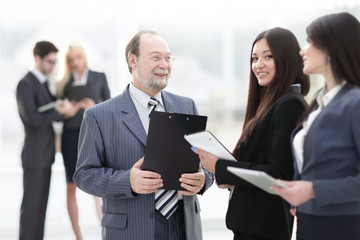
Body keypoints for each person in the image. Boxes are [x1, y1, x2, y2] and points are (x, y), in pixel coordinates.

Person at [73, 30, 214, 240]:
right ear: (133, 60)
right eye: (156, 57)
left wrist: (203, 180)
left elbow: (206, 165)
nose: (164, 65)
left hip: (183, 228)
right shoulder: (99, 115)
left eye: (168, 58)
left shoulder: (186, 106)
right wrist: (127, 181)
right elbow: (84, 175)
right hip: (131, 230)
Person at [193, 27, 310, 240]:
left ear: (287, 58)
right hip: (252, 225)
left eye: (268, 56)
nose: (258, 65)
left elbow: (277, 174)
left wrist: (221, 167)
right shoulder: (269, 103)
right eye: (254, 58)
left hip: (265, 228)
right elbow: (257, 162)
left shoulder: (290, 105)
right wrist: (227, 172)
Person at [271, 12, 360, 240]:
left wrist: (311, 190)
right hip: (310, 221)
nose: (303, 50)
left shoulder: (355, 102)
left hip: (343, 226)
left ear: (332, 47)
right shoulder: (320, 102)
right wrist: (299, 194)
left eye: (310, 41)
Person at [16, 41, 78, 240]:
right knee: (31, 210)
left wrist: (63, 111)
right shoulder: (25, 84)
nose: (53, 66)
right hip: (34, 156)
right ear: (37, 59)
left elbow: (50, 111)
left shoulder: (43, 83)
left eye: (55, 62)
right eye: (49, 61)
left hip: (45, 155)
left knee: (40, 209)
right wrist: (60, 113)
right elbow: (32, 120)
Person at [57, 45, 111, 240]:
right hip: (70, 135)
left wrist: (95, 106)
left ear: (84, 57)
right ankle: (78, 236)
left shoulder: (99, 77)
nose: (75, 63)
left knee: (98, 183)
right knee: (71, 185)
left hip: (93, 134)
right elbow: (57, 111)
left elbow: (110, 106)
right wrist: (66, 110)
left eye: (78, 57)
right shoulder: (63, 83)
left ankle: (106, 230)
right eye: (71, 60)